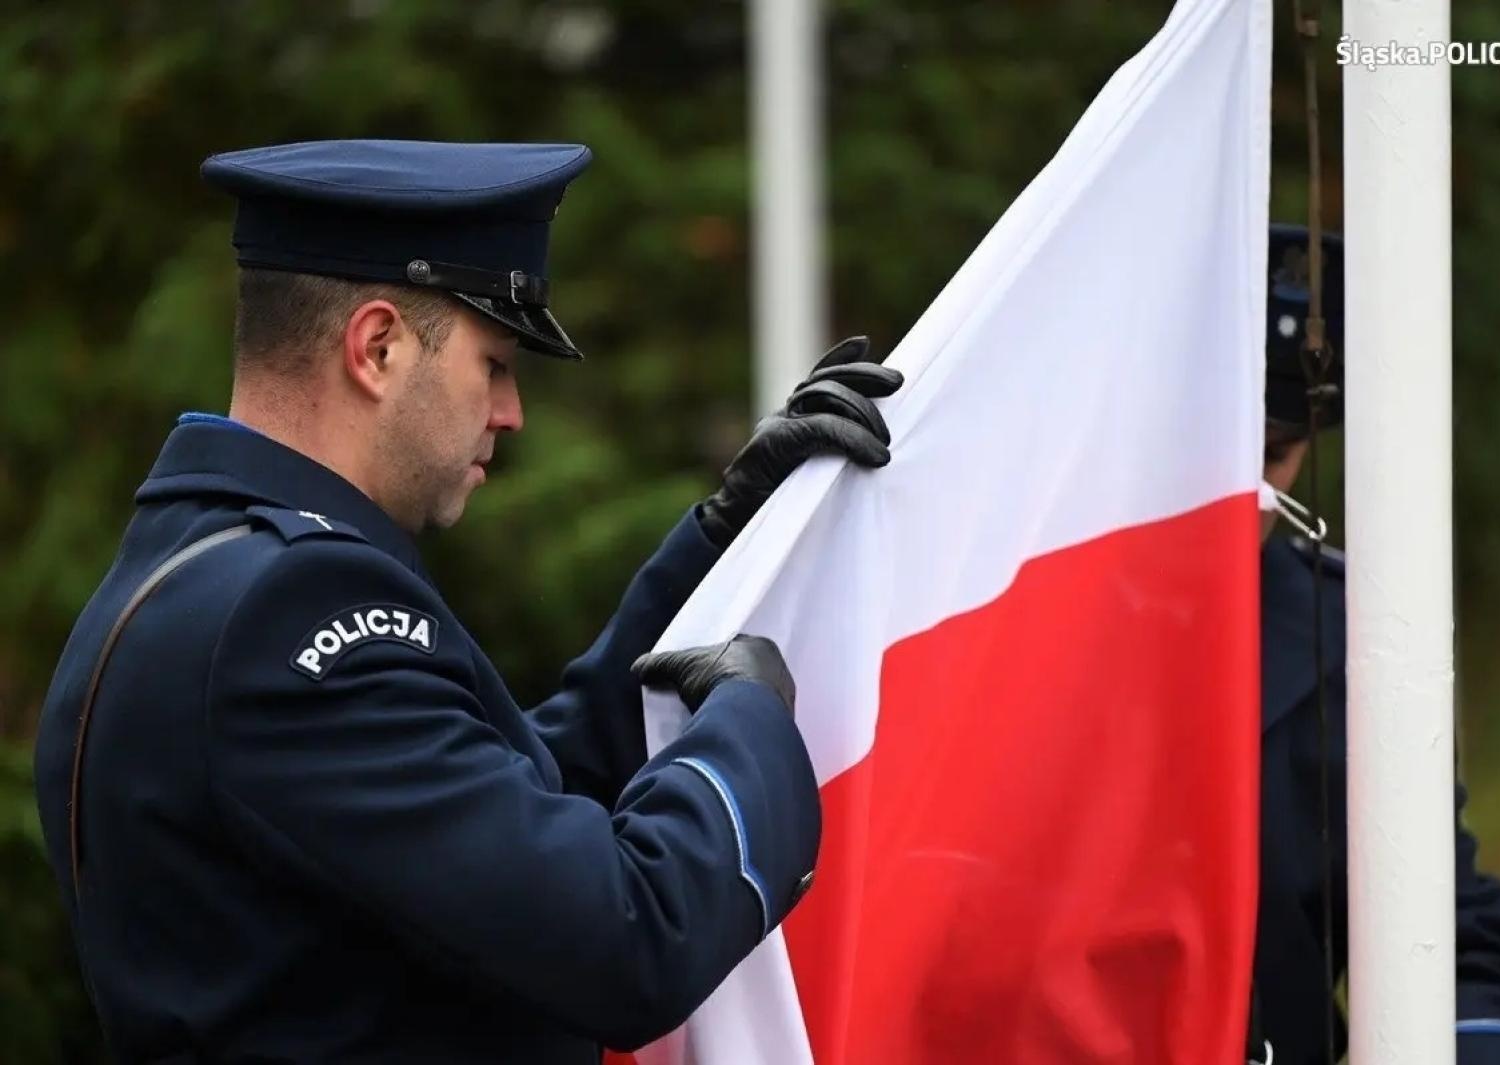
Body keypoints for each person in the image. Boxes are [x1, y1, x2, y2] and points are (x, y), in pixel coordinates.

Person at [31, 139, 903, 1063]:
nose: (511, 410)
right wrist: (754, 722)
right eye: (493, 361)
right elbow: (625, 935)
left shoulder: (199, 573)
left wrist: (724, 546)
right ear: (377, 347)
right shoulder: (288, 613)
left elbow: (505, 803)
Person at [1252, 224, 1500, 1065]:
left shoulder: (1344, 641)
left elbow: (1448, 933)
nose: (1248, 489)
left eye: (1275, 453)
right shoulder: (985, 604)